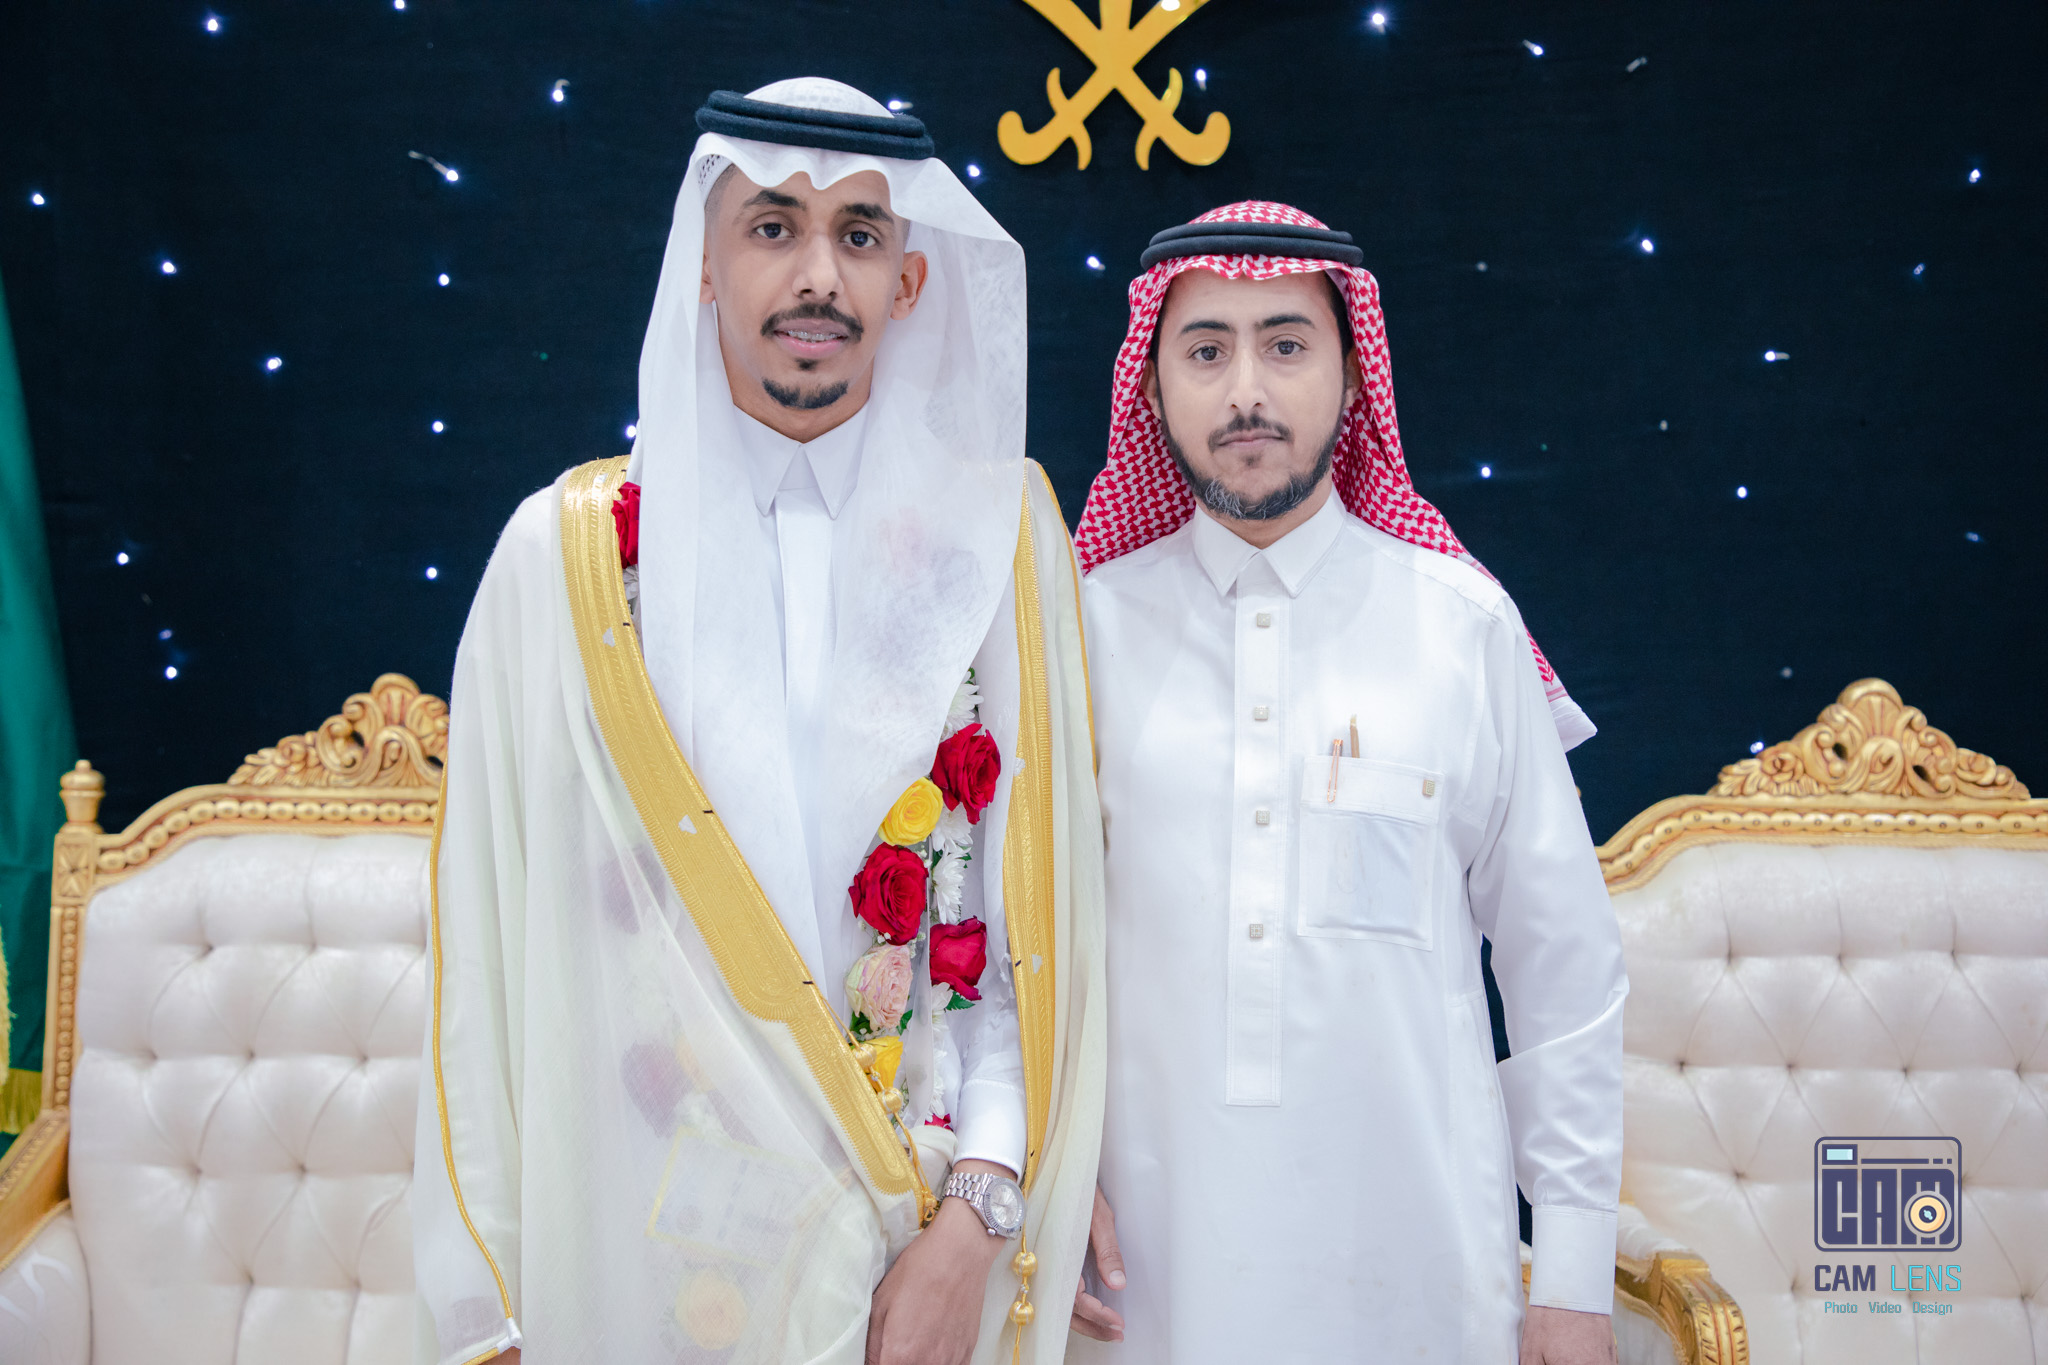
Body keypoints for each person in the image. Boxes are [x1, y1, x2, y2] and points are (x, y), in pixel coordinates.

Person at [414, 79, 1104, 1365]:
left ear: (908, 282)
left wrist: (979, 1214)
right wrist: (486, 1308)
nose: (817, 276)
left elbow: (1028, 933)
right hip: (637, 1247)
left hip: (919, 1255)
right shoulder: (565, 563)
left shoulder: (999, 545)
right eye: (772, 227)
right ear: (703, 264)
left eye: (859, 235)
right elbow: (488, 953)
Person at [1067, 203, 1626, 1364]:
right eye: (1204, 350)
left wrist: (1572, 1277)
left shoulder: (1460, 628)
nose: (1245, 391)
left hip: (1414, 1276)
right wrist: (1038, 1180)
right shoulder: (1078, 636)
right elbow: (1016, 964)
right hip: (1136, 1283)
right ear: (1152, 388)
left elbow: (1562, 969)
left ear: (1352, 373)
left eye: (1285, 344)